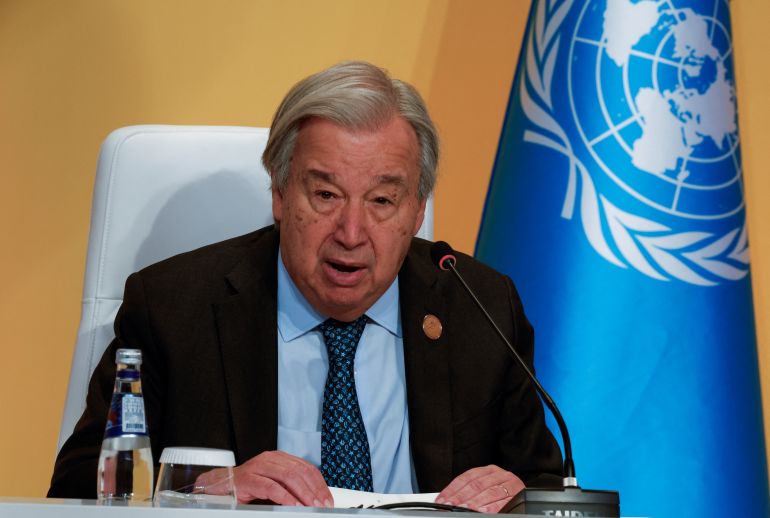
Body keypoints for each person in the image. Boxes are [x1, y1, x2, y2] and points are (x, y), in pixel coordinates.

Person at [48, 61, 561, 512]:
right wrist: (200, 492)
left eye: (382, 201)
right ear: (278, 192)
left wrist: (518, 495)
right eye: (325, 194)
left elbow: (549, 489)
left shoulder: (481, 307)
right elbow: (75, 490)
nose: (352, 233)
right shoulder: (173, 309)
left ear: (417, 209)